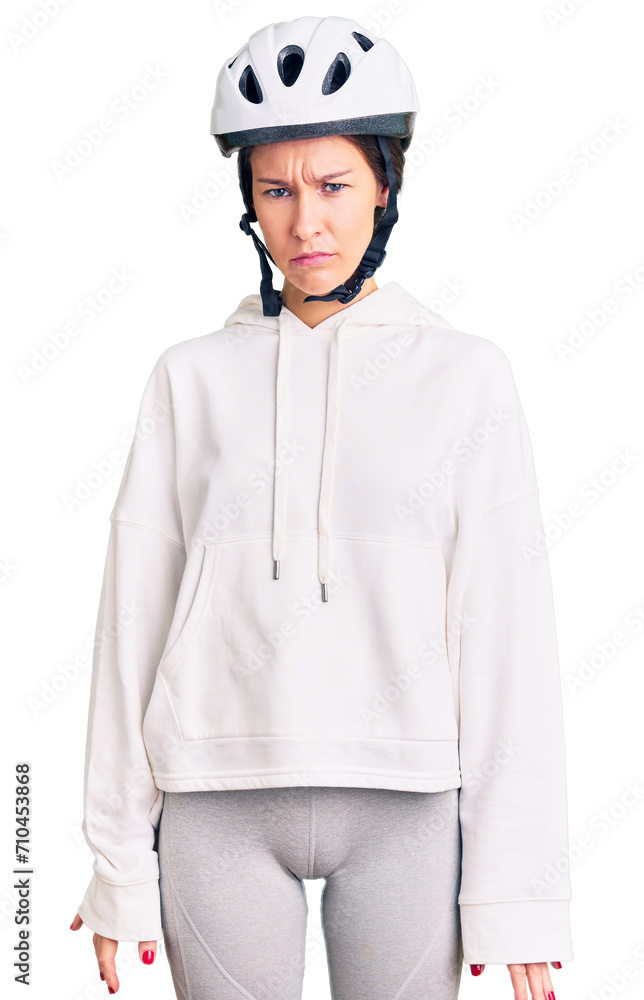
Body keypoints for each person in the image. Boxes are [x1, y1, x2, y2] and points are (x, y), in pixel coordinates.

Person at [69, 15, 574, 1000]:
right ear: (247, 202)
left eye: (333, 186)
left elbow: (505, 636)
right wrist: (118, 863)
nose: (305, 224)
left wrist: (520, 889)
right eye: (276, 190)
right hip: (213, 797)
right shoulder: (188, 379)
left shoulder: (465, 377)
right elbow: (129, 626)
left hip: (407, 805)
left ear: (384, 185)